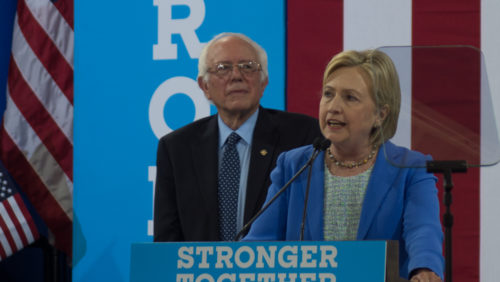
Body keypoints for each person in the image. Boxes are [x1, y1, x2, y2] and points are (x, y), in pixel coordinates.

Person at [243, 49, 444, 281]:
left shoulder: (411, 168)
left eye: (350, 97)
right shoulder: (294, 164)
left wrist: (424, 268)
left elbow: (423, 230)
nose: (333, 107)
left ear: (381, 114)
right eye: (328, 94)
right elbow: (259, 245)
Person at [153, 32, 321, 242]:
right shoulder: (177, 148)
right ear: (204, 86)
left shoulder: (303, 135)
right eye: (223, 68)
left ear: (264, 82)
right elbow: (166, 240)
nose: (236, 76)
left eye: (248, 66)